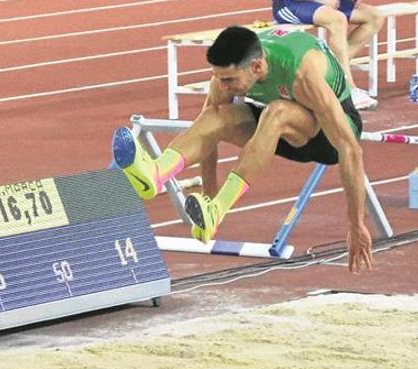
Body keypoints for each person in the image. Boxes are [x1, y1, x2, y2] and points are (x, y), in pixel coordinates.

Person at [112, 26, 373, 273]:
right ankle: (157, 173)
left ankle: (220, 206)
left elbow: (351, 151)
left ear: (257, 67)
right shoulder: (229, 73)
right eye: (218, 78)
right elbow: (208, 132)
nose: (223, 86)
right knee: (216, 115)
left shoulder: (303, 73)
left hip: (326, 139)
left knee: (276, 112)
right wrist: (208, 195)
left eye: (229, 80)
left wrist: (356, 223)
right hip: (276, 129)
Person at [272, 0, 385, 110]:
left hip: (329, 4)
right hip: (291, 4)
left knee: (374, 17)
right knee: (338, 20)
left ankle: (330, 73)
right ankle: (347, 89)